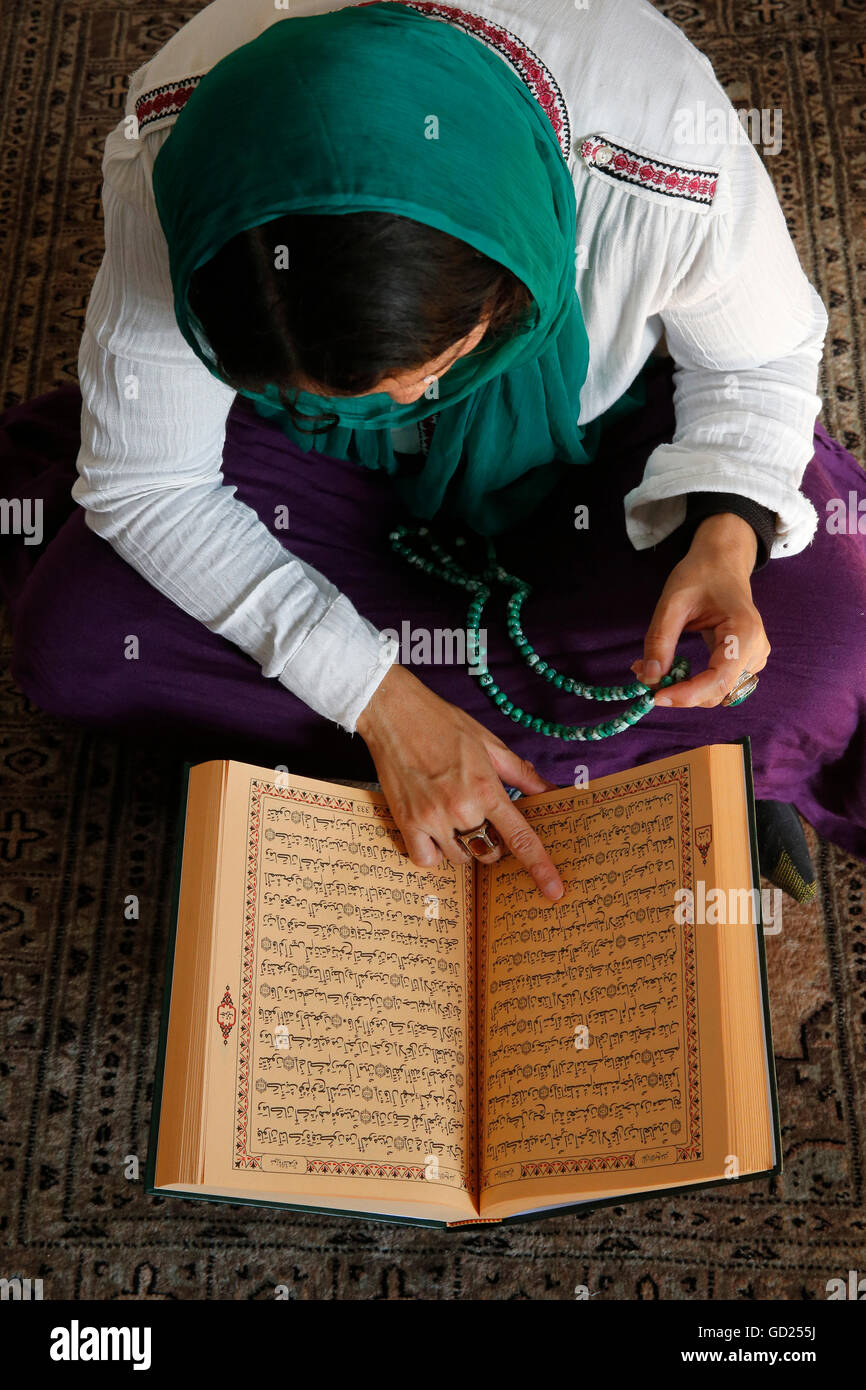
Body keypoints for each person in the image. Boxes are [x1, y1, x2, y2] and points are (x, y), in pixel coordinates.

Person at [2, 0, 865, 902]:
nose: (409, 407)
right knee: (84, 639)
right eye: (346, 394)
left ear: (515, 267)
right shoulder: (183, 161)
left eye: (431, 368)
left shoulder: (660, 153)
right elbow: (150, 485)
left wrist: (727, 536)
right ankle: (656, 763)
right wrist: (379, 700)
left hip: (602, 446)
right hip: (314, 474)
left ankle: (390, 764)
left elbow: (759, 359)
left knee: (823, 653)